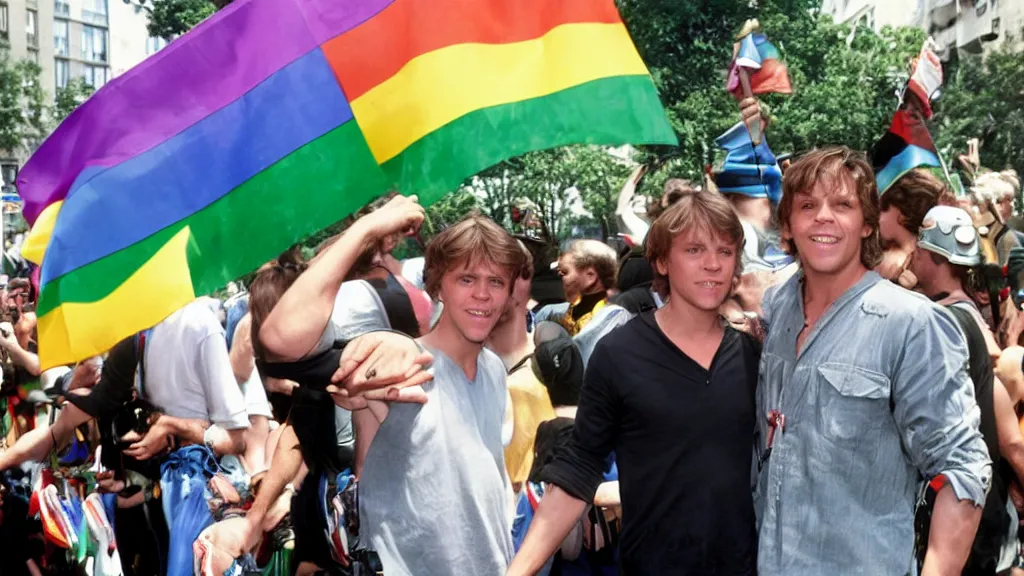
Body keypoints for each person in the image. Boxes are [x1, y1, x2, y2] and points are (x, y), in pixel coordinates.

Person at [755, 146, 991, 574]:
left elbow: (963, 468)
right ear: (788, 223)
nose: (823, 216)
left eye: (842, 204)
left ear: (867, 224)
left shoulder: (912, 323)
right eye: (808, 205)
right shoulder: (777, 307)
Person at [509, 190, 761, 575]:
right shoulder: (620, 353)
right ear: (662, 261)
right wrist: (519, 570)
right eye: (694, 250)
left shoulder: (752, 355)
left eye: (725, 252)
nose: (712, 264)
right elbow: (579, 464)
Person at [352, 213, 528, 575]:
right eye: (466, 278)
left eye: (496, 281)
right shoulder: (400, 364)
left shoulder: (494, 369)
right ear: (437, 286)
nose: (482, 293)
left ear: (511, 292)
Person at [909, 205, 1024, 573]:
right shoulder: (969, 321)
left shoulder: (936, 324)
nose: (913, 252)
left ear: (936, 257)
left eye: (919, 248)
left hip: (951, 513)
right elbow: (1011, 439)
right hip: (982, 507)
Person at [487, 242, 556, 493]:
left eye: (495, 279)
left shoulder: (551, 359)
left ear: (523, 283)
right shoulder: (452, 364)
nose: (482, 291)